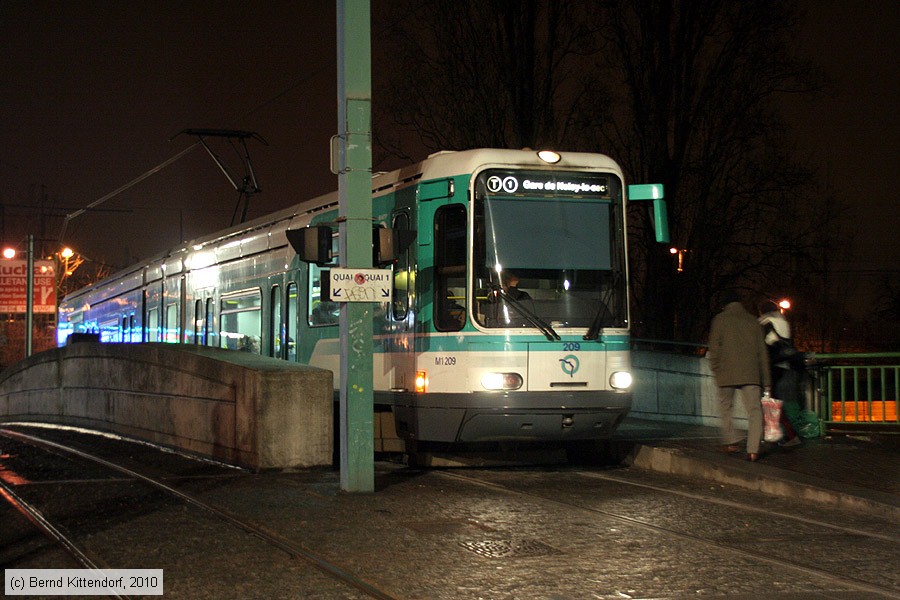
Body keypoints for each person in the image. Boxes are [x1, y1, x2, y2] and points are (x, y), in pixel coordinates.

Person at [707, 291, 771, 462]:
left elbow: (714, 348)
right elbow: (762, 353)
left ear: (725, 304)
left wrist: (716, 369)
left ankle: (731, 442)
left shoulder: (720, 320)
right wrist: (767, 380)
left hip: (726, 372)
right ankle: (753, 450)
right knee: (754, 411)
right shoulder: (753, 321)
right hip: (751, 373)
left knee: (726, 406)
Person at [758, 301, 803, 447]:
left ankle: (787, 435)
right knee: (772, 400)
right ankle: (783, 434)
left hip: (771, 366)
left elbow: (763, 344)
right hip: (783, 364)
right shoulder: (783, 321)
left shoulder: (765, 322)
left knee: (769, 400)